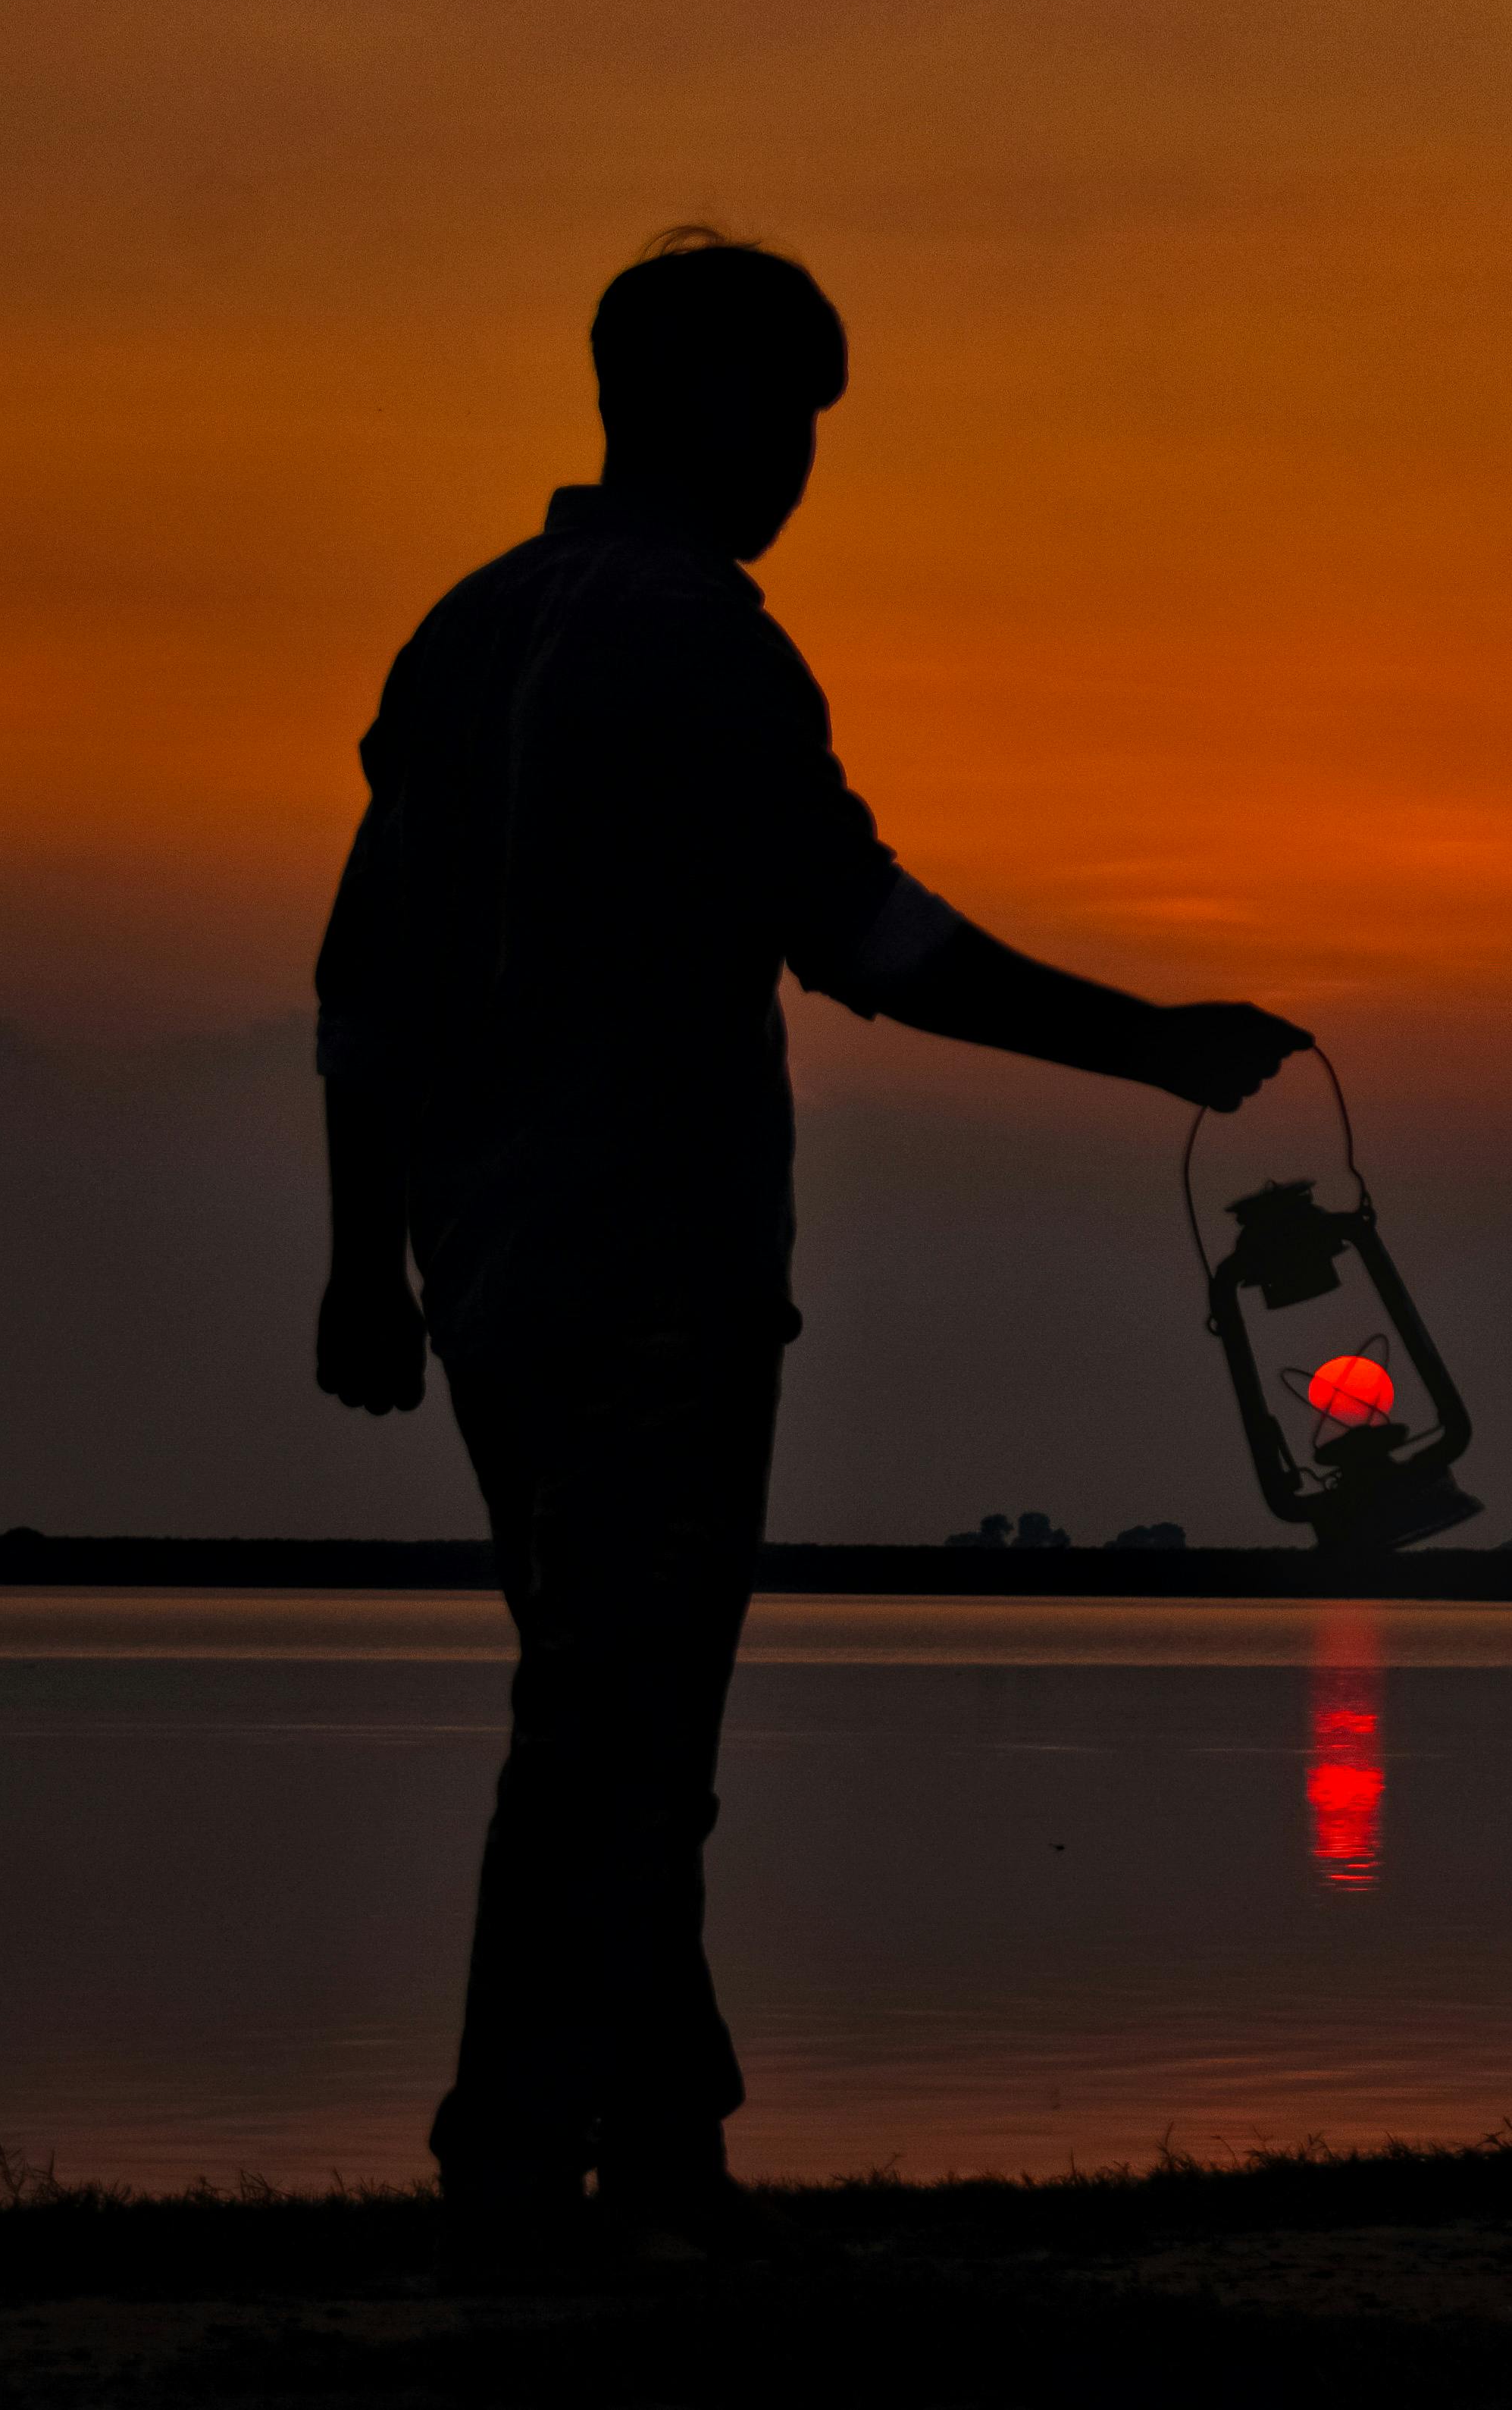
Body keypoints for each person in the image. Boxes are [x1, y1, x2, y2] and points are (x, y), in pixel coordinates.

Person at [310, 229, 1308, 2275]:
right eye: (786, 415)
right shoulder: (700, 640)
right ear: (688, 406)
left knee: (610, 1706)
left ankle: (666, 2147)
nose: (800, 462)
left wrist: (363, 1262)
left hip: (485, 1269)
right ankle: (516, 2156)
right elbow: (863, 934)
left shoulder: (462, 633)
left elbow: (363, 983)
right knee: (618, 1733)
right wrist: (1150, 1046)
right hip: (651, 1266)